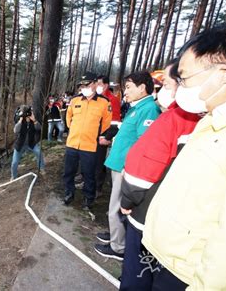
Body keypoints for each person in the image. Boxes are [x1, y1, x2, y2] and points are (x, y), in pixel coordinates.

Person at [142, 25, 226, 290]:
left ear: (224, 74)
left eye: (183, 78)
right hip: (169, 259)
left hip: (188, 276)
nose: (179, 87)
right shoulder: (211, 122)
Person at [117, 61, 202, 290]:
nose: (160, 89)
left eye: (164, 83)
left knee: (138, 274)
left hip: (148, 216)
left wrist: (127, 201)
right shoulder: (205, 122)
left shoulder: (173, 119)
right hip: (179, 228)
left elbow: (142, 166)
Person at [94, 71, 161, 261]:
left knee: (117, 206)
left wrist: (129, 166)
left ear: (142, 87)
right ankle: (115, 235)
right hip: (118, 164)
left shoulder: (148, 110)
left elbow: (143, 143)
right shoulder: (136, 108)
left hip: (126, 168)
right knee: (113, 203)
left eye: (129, 87)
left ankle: (118, 247)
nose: (126, 92)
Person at [62, 72, 112, 210]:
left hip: (89, 146)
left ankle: (88, 199)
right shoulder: (75, 101)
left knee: (88, 174)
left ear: (95, 84)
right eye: (82, 85)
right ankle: (68, 193)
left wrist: (98, 136)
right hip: (72, 143)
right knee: (68, 172)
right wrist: (74, 131)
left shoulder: (104, 103)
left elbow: (106, 124)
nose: (84, 87)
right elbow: (68, 118)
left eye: (87, 84)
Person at [94, 75, 121, 196]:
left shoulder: (112, 100)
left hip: (103, 136)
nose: (97, 86)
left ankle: (98, 188)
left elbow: (114, 122)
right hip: (93, 134)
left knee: (99, 163)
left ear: (105, 85)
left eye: (99, 84)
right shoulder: (97, 98)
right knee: (92, 161)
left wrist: (107, 137)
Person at [10, 106, 44, 180]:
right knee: (14, 162)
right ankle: (14, 176)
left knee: (39, 152)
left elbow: (39, 128)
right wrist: (20, 120)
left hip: (31, 143)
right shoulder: (20, 121)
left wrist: (34, 120)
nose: (27, 117)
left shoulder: (32, 121)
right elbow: (15, 130)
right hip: (20, 144)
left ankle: (41, 168)